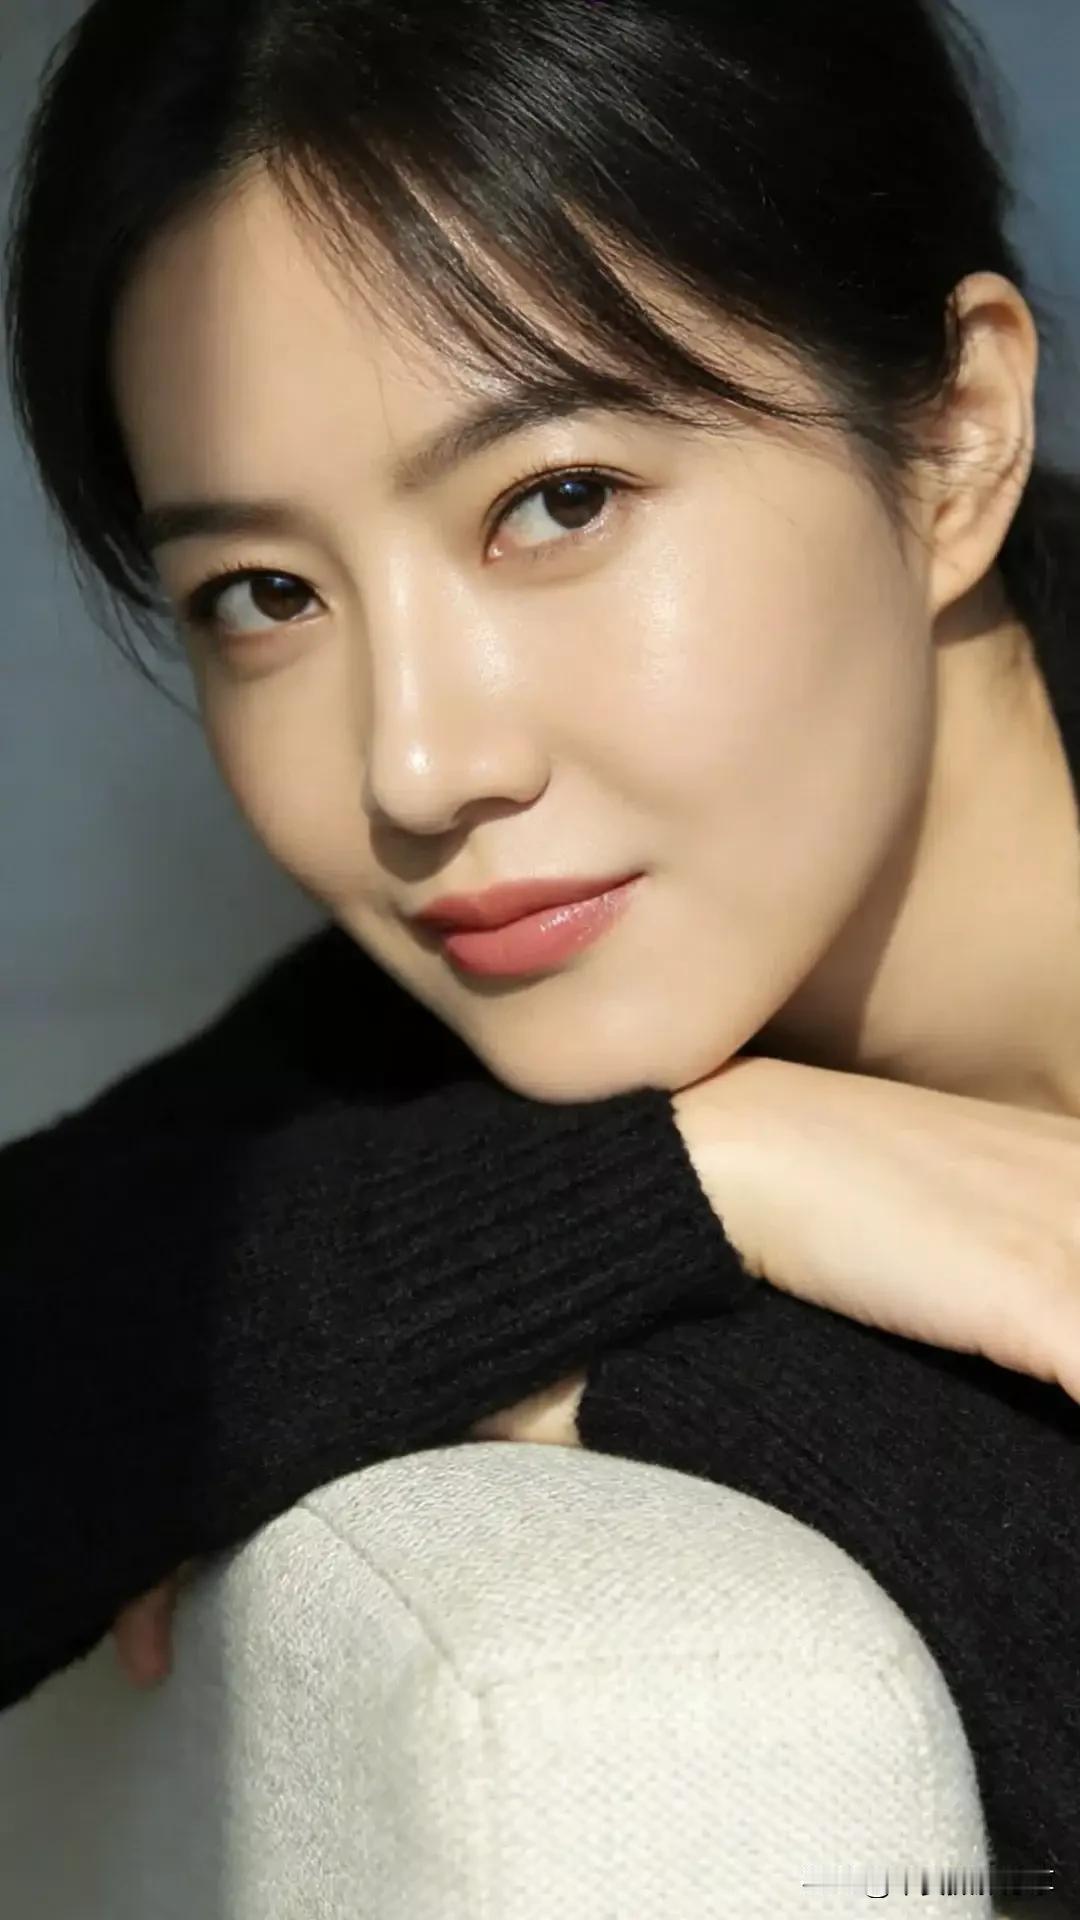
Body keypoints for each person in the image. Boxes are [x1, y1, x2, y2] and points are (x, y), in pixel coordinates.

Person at [3, 0, 1080, 1896]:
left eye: (557, 501)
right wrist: (714, 1183)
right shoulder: (530, 996)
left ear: (956, 437)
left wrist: (635, 1365)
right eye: (263, 595)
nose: (418, 766)